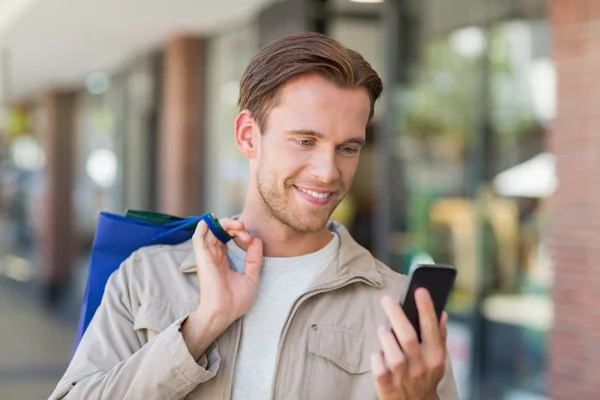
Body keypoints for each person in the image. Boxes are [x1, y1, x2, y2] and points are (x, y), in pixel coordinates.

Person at [50, 32, 458, 400]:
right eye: (305, 140)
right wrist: (201, 327)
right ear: (248, 135)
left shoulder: (400, 306)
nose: (328, 171)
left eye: (348, 148)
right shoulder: (146, 276)